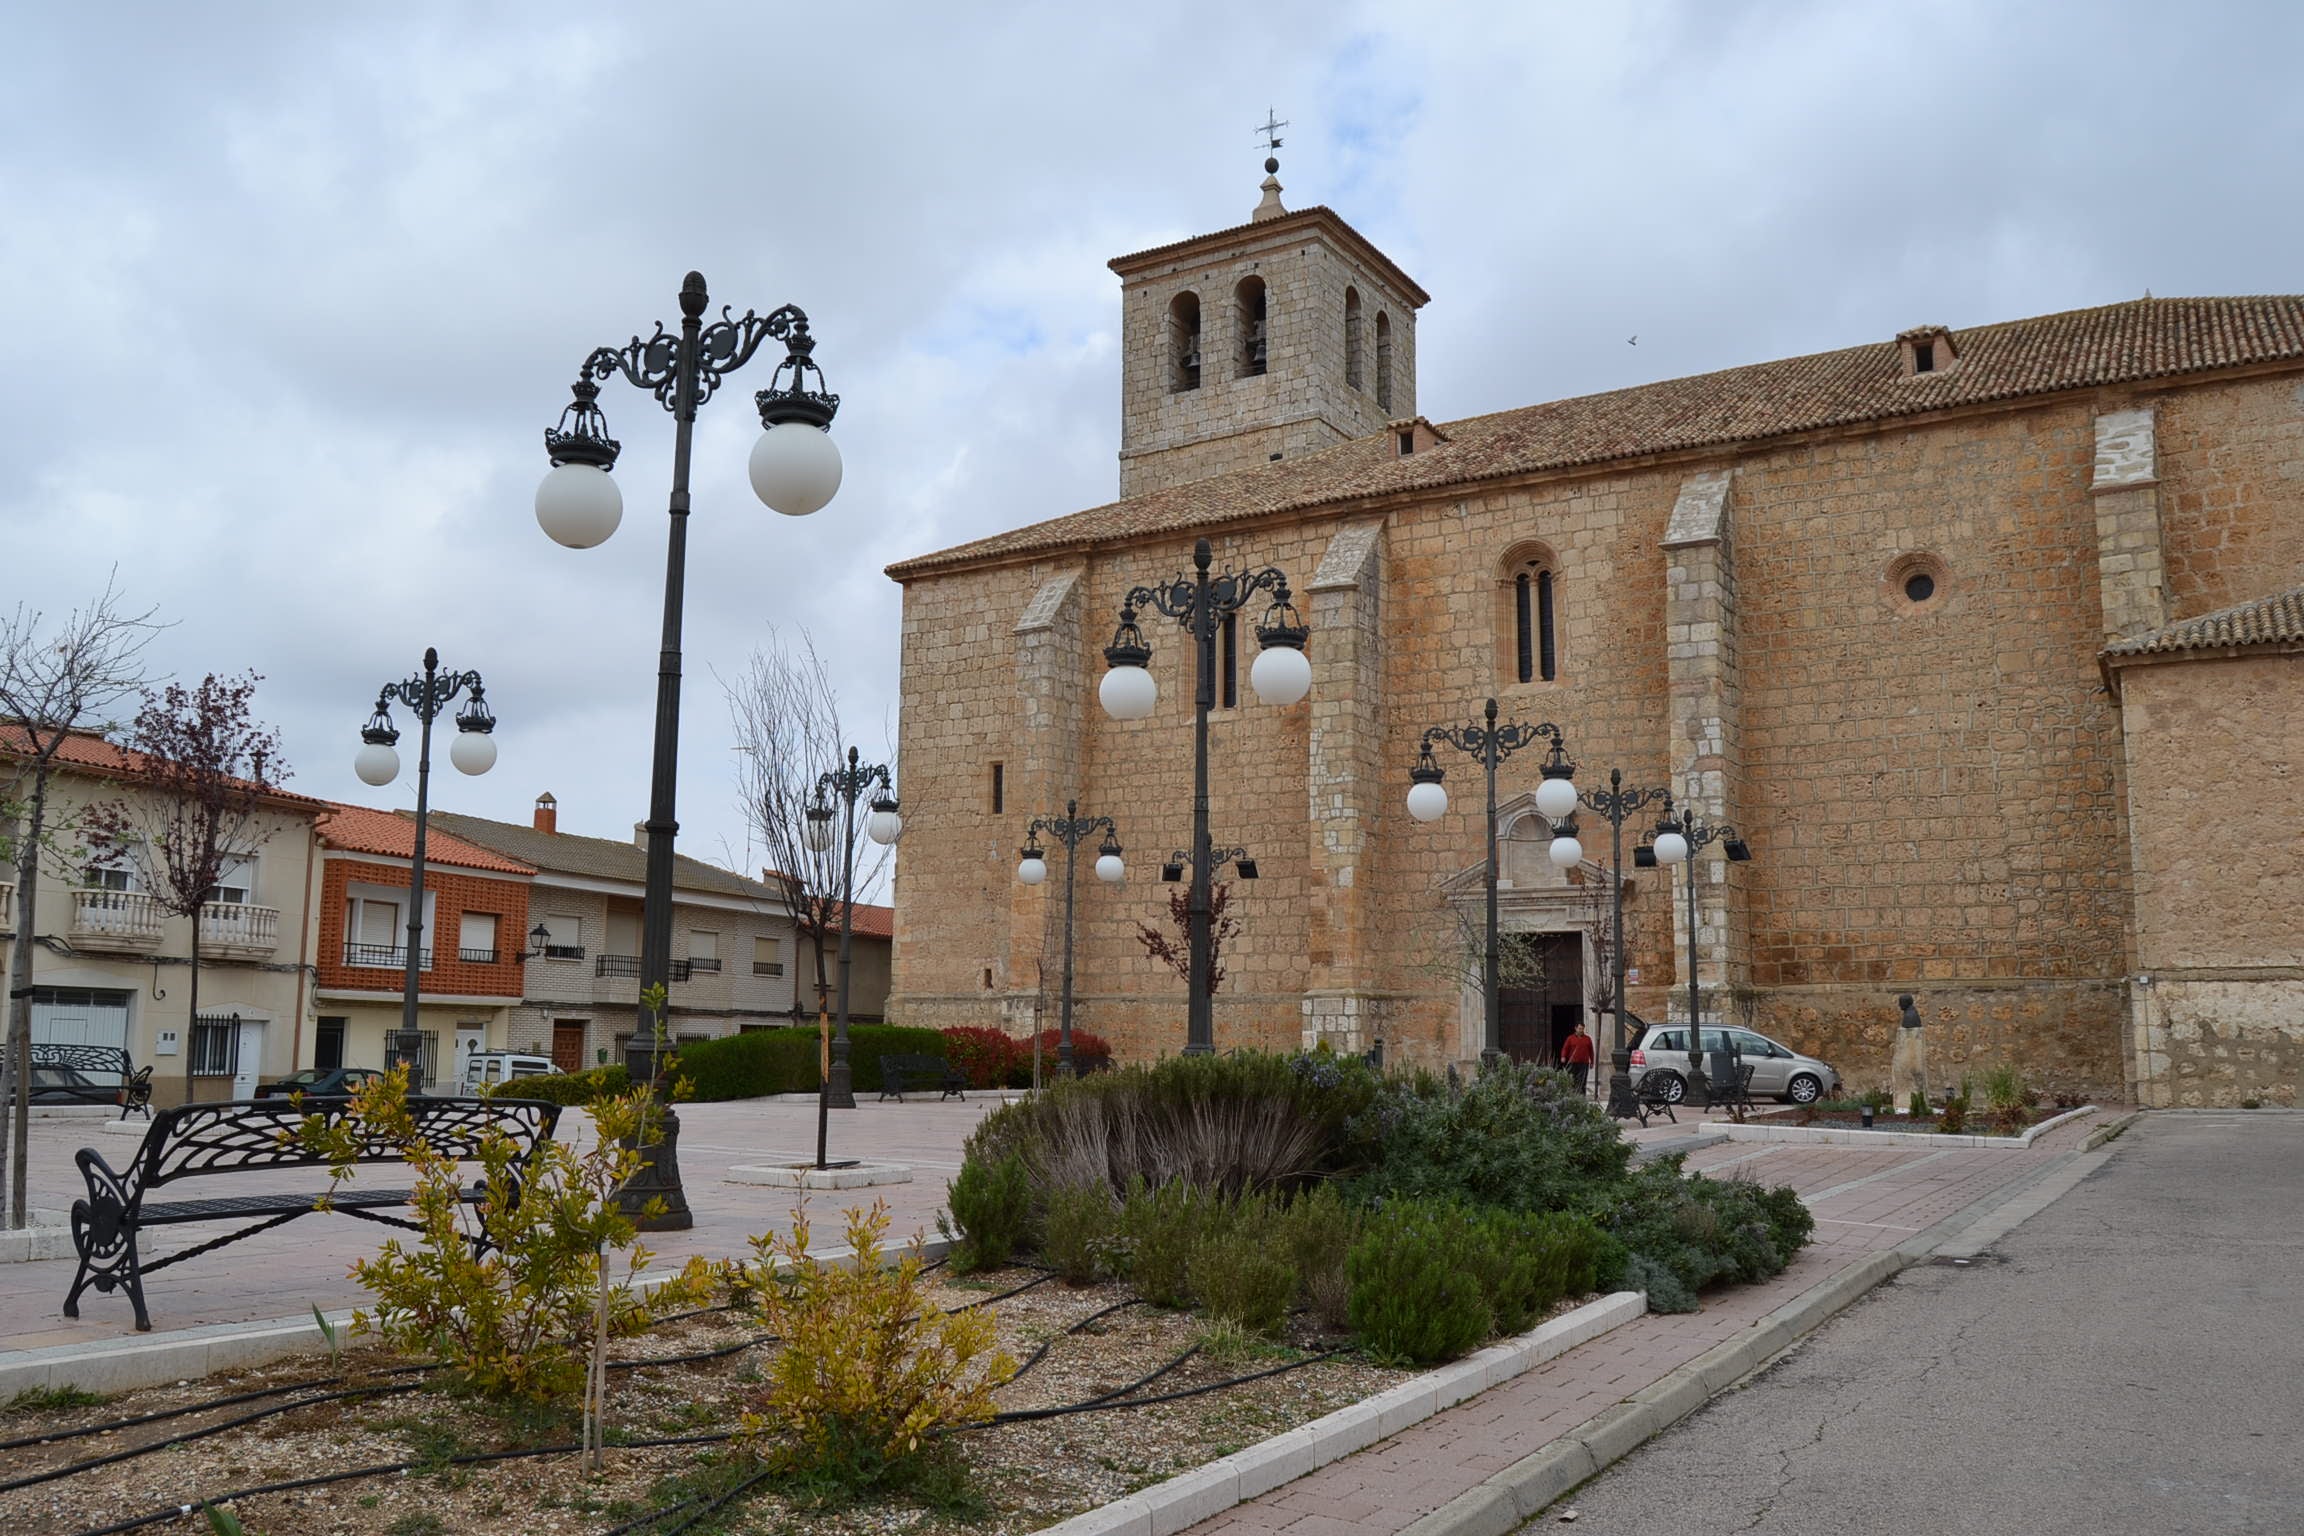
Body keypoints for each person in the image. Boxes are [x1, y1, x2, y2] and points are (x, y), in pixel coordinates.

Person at [1558, 1020, 1595, 1096]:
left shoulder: (1588, 1039)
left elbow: (1591, 1051)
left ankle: (1581, 1096)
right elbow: (1565, 1048)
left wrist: (1592, 1062)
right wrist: (1563, 1056)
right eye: (1579, 1028)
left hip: (1584, 1063)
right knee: (1572, 1079)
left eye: (1582, 1029)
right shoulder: (1570, 1038)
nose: (1581, 1030)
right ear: (1575, 1028)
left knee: (1582, 1080)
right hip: (1573, 1063)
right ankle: (1572, 1095)